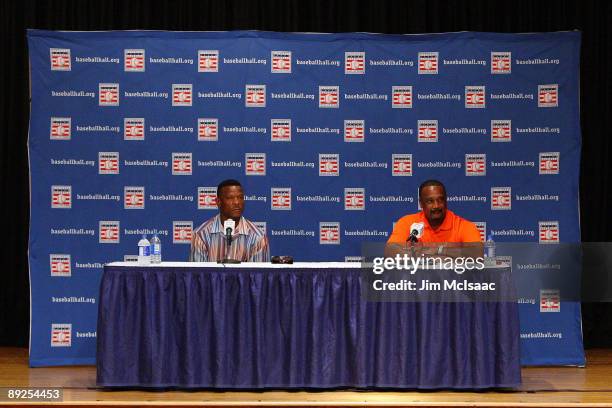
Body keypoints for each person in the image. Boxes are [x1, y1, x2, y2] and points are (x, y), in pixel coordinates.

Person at [387, 179, 482, 257]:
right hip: (417, 278)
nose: (436, 206)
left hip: (453, 279)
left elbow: (477, 254)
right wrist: (426, 256)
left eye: (440, 200)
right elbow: (390, 251)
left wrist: (439, 250)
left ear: (446, 201)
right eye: (430, 201)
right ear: (421, 203)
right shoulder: (407, 222)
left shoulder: (464, 226)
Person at [190, 179, 270, 262]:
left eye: (240, 197)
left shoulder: (258, 237)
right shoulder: (201, 235)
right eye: (230, 198)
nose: (236, 202)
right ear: (218, 202)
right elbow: (198, 273)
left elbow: (257, 274)